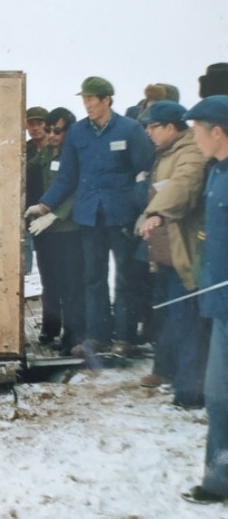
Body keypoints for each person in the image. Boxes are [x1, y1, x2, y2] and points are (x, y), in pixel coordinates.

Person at [26, 76, 155, 359]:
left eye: (91, 99)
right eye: (84, 99)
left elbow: (146, 171)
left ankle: (124, 337)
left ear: (107, 99)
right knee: (92, 278)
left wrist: (143, 209)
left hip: (121, 215)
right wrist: (44, 206)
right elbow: (67, 176)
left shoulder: (130, 129)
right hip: (89, 216)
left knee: (124, 278)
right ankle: (97, 337)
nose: (86, 105)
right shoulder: (78, 133)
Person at [135, 100, 209, 408]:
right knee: (164, 315)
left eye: (153, 127)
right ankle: (164, 370)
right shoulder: (165, 152)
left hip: (184, 253)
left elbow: (182, 185)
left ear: (170, 127)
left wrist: (155, 212)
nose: (148, 132)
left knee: (185, 320)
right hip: (164, 252)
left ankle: (189, 391)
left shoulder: (190, 151)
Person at [180, 95, 228, 505]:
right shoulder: (216, 172)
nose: (193, 138)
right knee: (218, 397)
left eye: (196, 130)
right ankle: (218, 482)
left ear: (217, 131)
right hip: (220, 304)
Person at [25, 108, 84, 355]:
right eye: (48, 130)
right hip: (45, 231)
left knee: (71, 284)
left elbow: (76, 190)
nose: (51, 135)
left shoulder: (76, 154)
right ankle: (51, 329)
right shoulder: (47, 153)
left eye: (57, 131)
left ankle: (73, 336)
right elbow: (26, 168)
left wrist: (54, 214)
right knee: (50, 282)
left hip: (68, 229)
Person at [24, 106, 49, 274]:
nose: (35, 128)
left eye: (39, 123)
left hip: (50, 209)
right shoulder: (23, 149)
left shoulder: (56, 148)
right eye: (31, 124)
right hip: (29, 208)